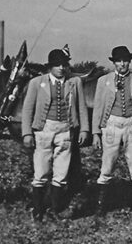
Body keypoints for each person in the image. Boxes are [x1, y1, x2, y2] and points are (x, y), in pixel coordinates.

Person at [22, 48, 89, 222]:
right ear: (50, 66)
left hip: (65, 130)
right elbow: (27, 110)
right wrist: (27, 133)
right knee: (41, 171)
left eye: (64, 64)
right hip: (44, 130)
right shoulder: (37, 83)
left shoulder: (74, 83)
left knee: (61, 173)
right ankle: (38, 212)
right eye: (57, 65)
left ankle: (54, 210)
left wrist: (84, 129)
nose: (61, 68)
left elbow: (81, 107)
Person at [92, 46, 132, 217]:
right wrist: (96, 133)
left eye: (125, 60)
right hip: (111, 126)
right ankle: (100, 208)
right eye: (119, 61)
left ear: (130, 61)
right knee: (106, 168)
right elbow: (98, 108)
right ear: (113, 62)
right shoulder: (104, 81)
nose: (122, 64)